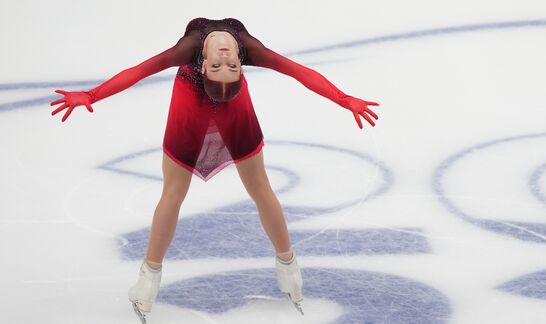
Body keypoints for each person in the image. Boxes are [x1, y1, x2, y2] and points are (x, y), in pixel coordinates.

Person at [50, 17, 380, 320]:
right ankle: (286, 269)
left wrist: (342, 98)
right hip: (194, 105)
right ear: (203, 65)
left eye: (230, 64)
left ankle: (154, 280)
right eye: (224, 63)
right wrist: (91, 96)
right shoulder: (238, 48)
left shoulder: (196, 48)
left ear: (236, 66)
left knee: (241, 188)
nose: (225, 56)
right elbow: (141, 70)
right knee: (194, 191)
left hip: (225, 107)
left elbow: (297, 72)